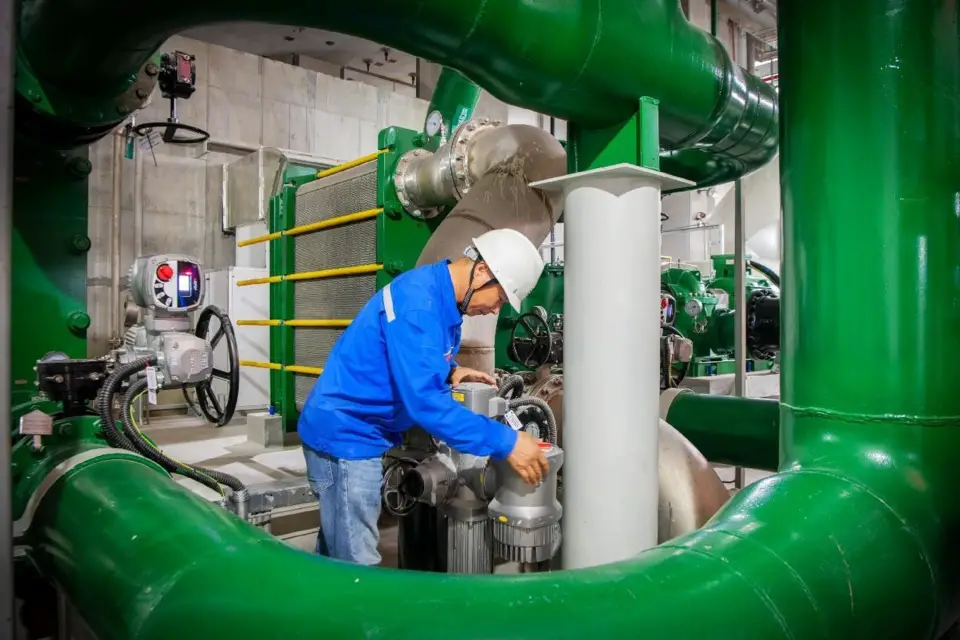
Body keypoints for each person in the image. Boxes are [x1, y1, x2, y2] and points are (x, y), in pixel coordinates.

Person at [298, 228, 550, 565]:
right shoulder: (420, 306)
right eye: (501, 298)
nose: (495, 310)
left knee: (335, 551)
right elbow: (428, 406)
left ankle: (320, 614)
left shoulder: (439, 296)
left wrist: (450, 371)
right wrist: (508, 442)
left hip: (357, 433)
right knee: (354, 567)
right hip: (346, 438)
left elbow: (410, 353)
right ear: (484, 271)